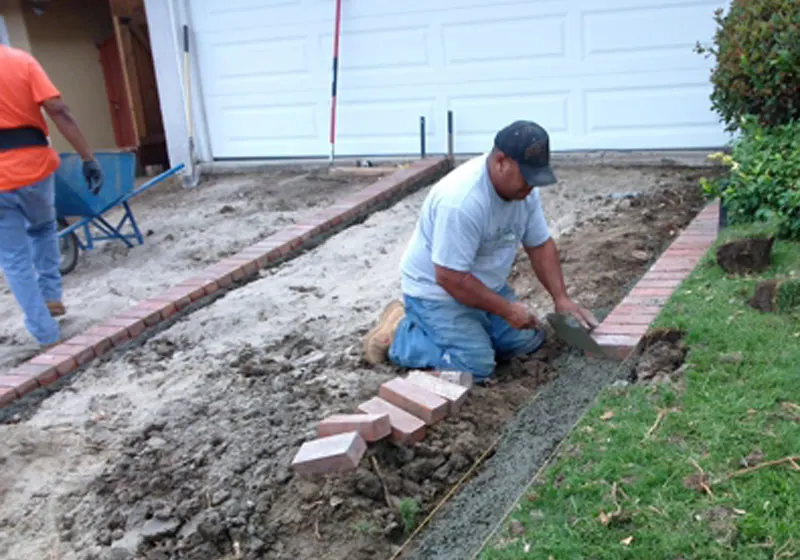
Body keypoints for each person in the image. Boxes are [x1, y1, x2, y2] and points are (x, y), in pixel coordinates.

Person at [363, 120, 598, 382]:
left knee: (526, 343)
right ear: (501, 162)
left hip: (483, 286)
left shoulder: (523, 192)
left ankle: (474, 331)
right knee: (474, 366)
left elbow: (540, 244)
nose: (531, 187)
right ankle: (400, 333)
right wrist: (508, 311)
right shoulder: (461, 202)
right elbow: (450, 278)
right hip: (438, 293)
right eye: (527, 178)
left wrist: (561, 297)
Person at [0, 44, 104, 348]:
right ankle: (50, 294)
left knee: (13, 258)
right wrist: (88, 158)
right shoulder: (20, 61)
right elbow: (59, 110)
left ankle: (44, 331)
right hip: (34, 166)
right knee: (44, 228)